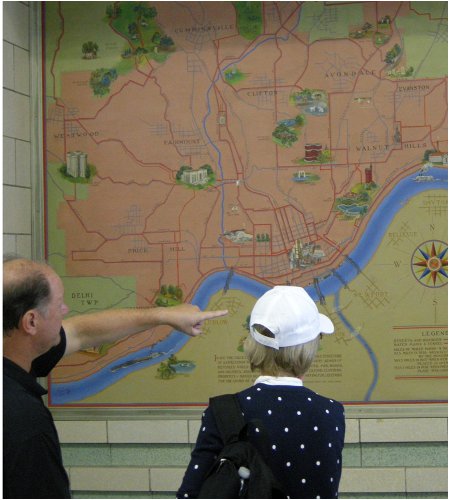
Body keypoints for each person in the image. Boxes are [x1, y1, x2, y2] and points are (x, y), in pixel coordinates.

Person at [3, 256, 228, 499]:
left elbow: (81, 331)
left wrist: (164, 315)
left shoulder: (16, 352)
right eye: (59, 305)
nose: (66, 311)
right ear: (31, 322)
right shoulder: (24, 422)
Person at [177, 285, 345, 499]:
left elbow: (190, 493)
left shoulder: (223, 412)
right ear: (310, 347)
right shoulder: (332, 413)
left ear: (253, 343)